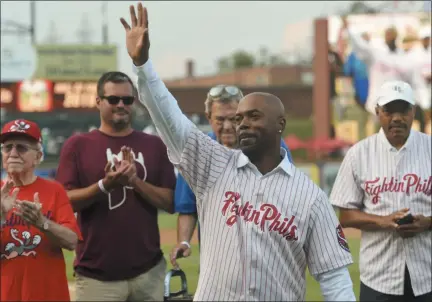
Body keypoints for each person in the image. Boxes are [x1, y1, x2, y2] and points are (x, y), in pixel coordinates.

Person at [120, 3, 356, 301]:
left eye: (253, 116)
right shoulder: (212, 165)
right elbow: (170, 118)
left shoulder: (310, 198)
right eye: (238, 117)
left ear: (280, 124)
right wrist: (143, 66)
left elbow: (335, 279)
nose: (241, 124)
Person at [56, 71, 176, 301]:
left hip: (148, 272)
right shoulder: (78, 145)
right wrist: (104, 185)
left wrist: (135, 181)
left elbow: (170, 202)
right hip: (96, 275)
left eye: (127, 100)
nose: (121, 105)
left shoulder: (155, 145)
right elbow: (65, 200)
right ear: (99, 102)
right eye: (113, 99)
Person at [170, 85, 293, 267]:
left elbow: (289, 197)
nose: (227, 127)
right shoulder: (197, 152)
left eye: (233, 119)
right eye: (220, 119)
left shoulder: (272, 145)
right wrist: (184, 242)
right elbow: (188, 208)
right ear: (208, 118)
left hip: (266, 257)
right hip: (217, 261)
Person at [330, 81, 432, 302]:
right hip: (379, 276)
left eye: (403, 110)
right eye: (389, 110)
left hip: (427, 274)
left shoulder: (430, 148)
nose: (396, 117)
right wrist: (385, 221)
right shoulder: (359, 153)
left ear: (413, 111)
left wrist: (428, 222)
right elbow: (345, 215)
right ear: (378, 112)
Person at [0, 119, 81, 302]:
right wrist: (1, 218)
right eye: (7, 147)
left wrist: (42, 223)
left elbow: (71, 241)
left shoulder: (54, 191)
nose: (13, 153)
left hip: (48, 294)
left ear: (37, 157)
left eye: (21, 148)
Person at [341, 17, 428, 116]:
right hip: (376, 106)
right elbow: (359, 45)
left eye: (392, 34)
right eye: (388, 34)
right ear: (385, 36)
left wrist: (421, 102)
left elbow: (413, 81)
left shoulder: (403, 57)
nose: (390, 37)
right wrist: (349, 27)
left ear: (396, 36)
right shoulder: (376, 53)